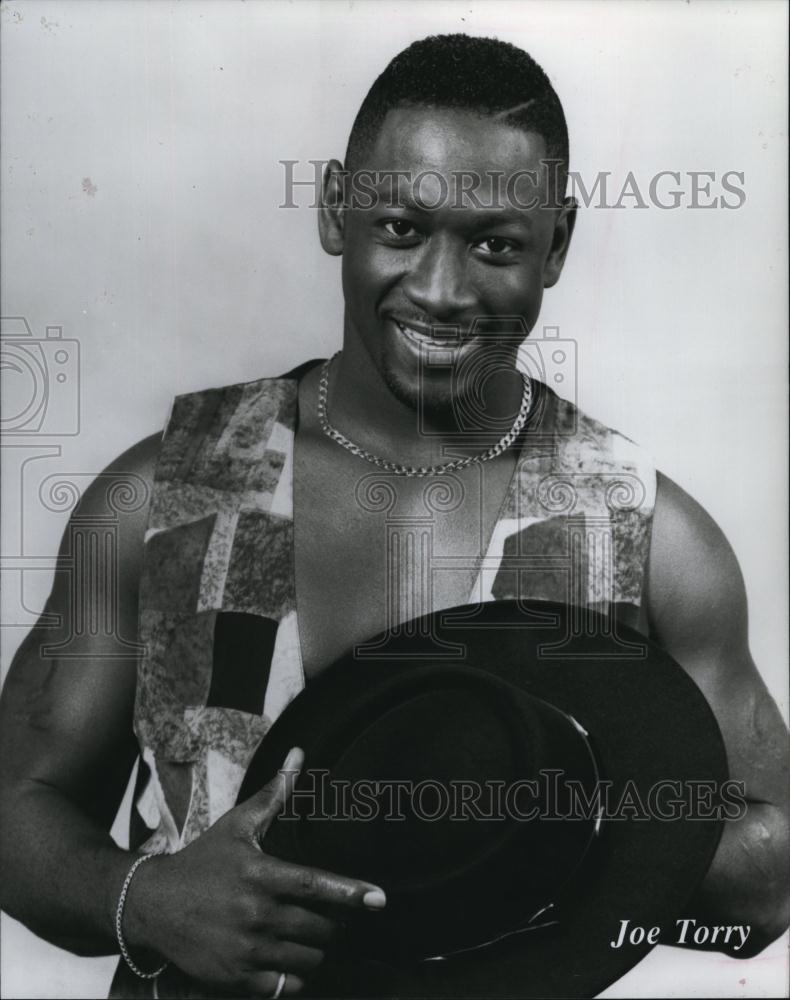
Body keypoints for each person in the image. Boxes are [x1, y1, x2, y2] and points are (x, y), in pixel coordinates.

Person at [0, 33, 787, 1000]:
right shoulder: (162, 496)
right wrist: (147, 899)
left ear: (560, 245)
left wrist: (546, 825)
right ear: (336, 209)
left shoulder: (651, 540)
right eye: (402, 228)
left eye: (496, 244)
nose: (442, 291)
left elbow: (770, 881)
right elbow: (18, 803)